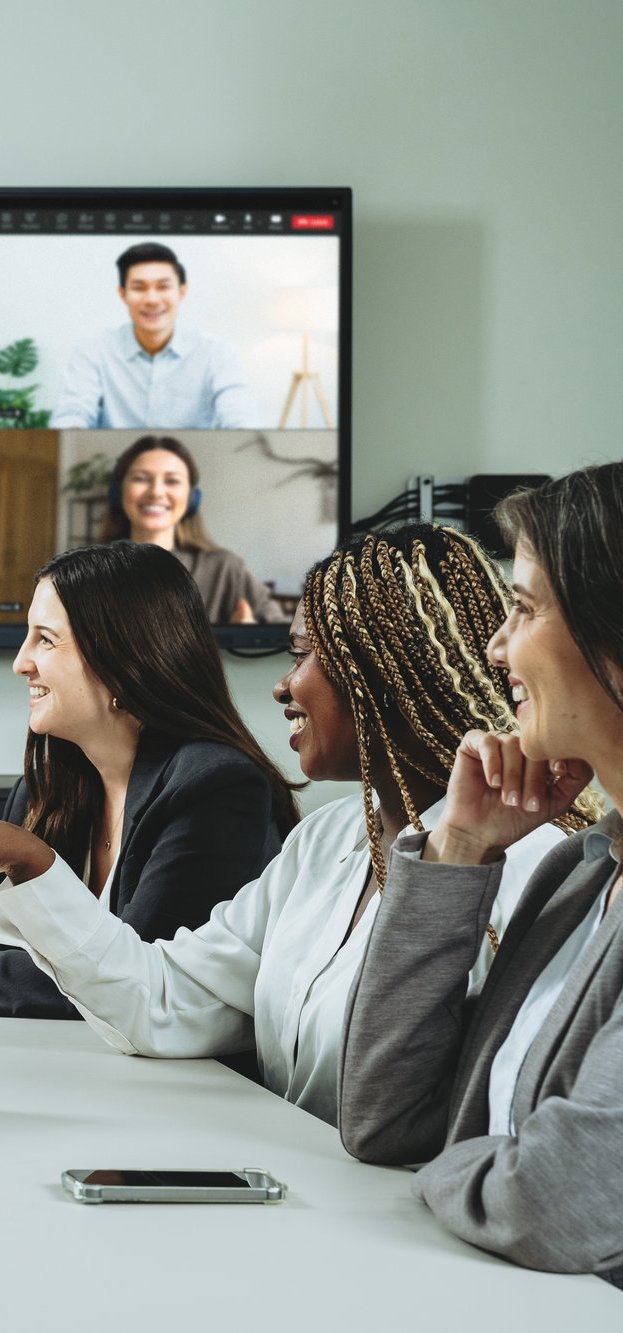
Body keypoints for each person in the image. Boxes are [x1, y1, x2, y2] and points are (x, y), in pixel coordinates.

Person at [0, 525, 583, 1125]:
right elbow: (162, 1001)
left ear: (381, 675)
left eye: (305, 654)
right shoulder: (325, 841)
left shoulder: (525, 870)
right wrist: (34, 863)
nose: (284, 685)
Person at [338, 466, 623, 1284]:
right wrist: (461, 848)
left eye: (525, 608)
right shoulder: (579, 874)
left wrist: (459, 1165)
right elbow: (384, 1116)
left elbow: (552, 1204)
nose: (496, 645)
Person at [0, 541, 298, 1018]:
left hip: (195, 1084)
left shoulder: (215, 788)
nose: (20, 662)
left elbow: (128, 979)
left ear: (122, 656)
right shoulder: (49, 788)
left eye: (45, 639)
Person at [53, 242, 263, 431]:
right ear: (122, 294)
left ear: (182, 292)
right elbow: (73, 413)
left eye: (163, 286)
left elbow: (239, 414)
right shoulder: (93, 351)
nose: (152, 299)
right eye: (138, 288)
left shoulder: (216, 353)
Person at [99, 434, 287, 623]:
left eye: (172, 481)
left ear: (191, 497)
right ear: (118, 492)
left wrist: (252, 638)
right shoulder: (90, 572)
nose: (156, 492)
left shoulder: (225, 570)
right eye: (141, 478)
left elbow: (288, 640)